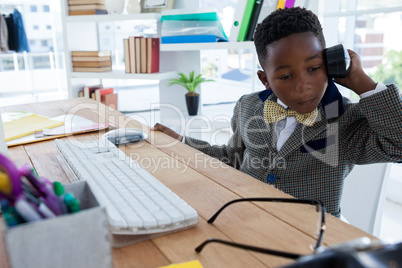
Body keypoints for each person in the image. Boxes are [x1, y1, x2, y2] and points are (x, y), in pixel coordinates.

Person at [151, 7, 402, 217]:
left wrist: (362, 82)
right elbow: (232, 157)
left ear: (330, 64)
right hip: (246, 219)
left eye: (314, 68)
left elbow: (398, 146)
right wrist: (182, 143)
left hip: (310, 235)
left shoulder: (344, 119)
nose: (303, 85)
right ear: (265, 79)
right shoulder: (248, 106)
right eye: (285, 76)